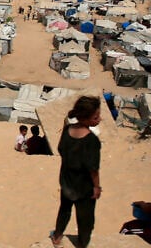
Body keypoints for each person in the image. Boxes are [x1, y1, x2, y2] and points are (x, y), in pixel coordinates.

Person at [50, 96, 102, 248]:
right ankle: (82, 244)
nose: (99, 119)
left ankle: (57, 236)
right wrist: (96, 187)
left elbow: (61, 149)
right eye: (96, 117)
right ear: (85, 118)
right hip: (84, 187)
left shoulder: (67, 130)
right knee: (85, 218)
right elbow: (93, 169)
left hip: (66, 181)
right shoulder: (92, 141)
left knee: (64, 210)